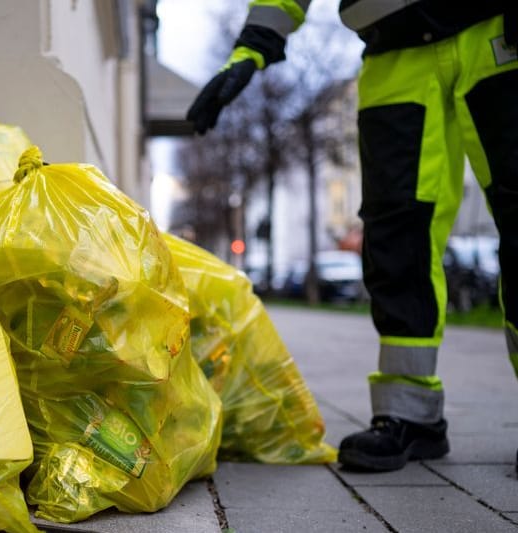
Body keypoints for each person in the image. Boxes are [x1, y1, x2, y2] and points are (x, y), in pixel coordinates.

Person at [187, 0, 517, 472]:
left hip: (497, 35)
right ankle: (409, 414)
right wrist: (253, 47)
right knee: (394, 236)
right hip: (392, 57)